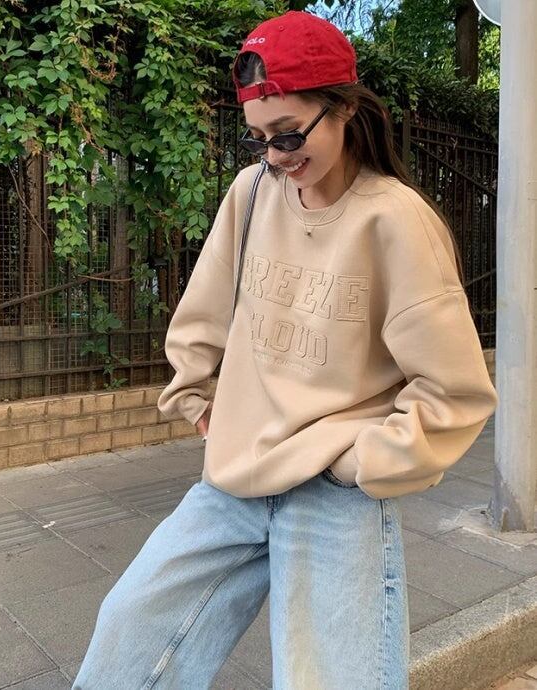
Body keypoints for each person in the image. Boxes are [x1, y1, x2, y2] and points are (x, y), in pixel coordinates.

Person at [72, 10, 498, 690]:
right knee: (130, 634)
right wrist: (196, 399)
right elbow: (205, 309)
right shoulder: (252, 194)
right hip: (234, 478)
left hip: (333, 494)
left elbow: (455, 392)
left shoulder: (395, 220)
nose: (275, 155)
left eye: (290, 133)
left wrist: (363, 462)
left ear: (345, 108)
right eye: (259, 137)